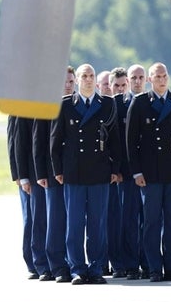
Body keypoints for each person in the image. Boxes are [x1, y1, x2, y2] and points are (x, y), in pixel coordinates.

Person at [51, 64, 122, 285]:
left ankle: (96, 268)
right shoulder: (64, 105)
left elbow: (115, 141)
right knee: (74, 224)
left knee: (97, 224)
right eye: (84, 76)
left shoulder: (107, 104)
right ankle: (77, 269)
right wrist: (58, 170)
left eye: (91, 75)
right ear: (78, 80)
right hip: (74, 173)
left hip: (100, 172)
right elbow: (55, 141)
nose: (89, 79)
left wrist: (115, 169)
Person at [126, 62, 171, 282]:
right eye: (157, 77)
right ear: (150, 79)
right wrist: (136, 172)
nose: (162, 80)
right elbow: (131, 141)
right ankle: (154, 268)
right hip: (150, 174)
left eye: (165, 76)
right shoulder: (140, 103)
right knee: (152, 223)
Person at [32, 66, 75, 283]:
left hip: (78, 174)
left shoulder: (78, 105)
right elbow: (38, 142)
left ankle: (74, 262)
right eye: (64, 81)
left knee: (74, 223)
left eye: (70, 81)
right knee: (55, 221)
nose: (68, 85)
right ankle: (57, 266)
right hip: (52, 174)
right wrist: (40, 173)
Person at [122, 63, 149, 279]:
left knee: (149, 220)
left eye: (141, 77)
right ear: (128, 80)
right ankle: (131, 264)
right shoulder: (116, 104)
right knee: (129, 219)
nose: (137, 81)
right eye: (134, 77)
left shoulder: (152, 103)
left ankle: (148, 262)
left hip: (149, 172)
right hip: (126, 173)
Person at [15, 116, 50, 281]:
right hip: (33, 173)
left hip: (55, 173)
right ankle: (36, 263)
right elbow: (17, 142)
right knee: (35, 220)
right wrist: (21, 176)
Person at [104, 67, 128, 278]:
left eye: (123, 85)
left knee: (120, 220)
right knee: (106, 221)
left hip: (124, 173)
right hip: (108, 173)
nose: (120, 90)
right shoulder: (105, 107)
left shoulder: (131, 106)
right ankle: (105, 262)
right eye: (116, 86)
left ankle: (121, 263)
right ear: (109, 87)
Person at [8, 114, 36, 279]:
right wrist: (19, 175)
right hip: (28, 173)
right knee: (31, 218)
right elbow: (15, 141)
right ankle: (32, 261)